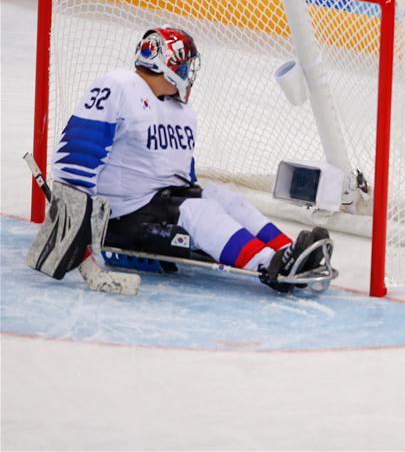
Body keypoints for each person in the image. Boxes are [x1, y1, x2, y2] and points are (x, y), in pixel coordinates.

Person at [45, 27, 332, 292]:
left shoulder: (182, 112)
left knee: (220, 195)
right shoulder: (118, 86)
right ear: (170, 65)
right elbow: (76, 155)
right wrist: (75, 222)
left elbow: (183, 176)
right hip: (121, 215)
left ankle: (289, 250)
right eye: (185, 65)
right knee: (197, 211)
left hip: (158, 205)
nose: (188, 73)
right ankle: (270, 264)